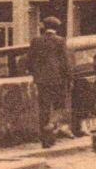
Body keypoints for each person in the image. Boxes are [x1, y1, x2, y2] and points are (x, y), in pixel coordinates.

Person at [27, 18, 73, 148]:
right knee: (59, 107)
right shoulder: (60, 41)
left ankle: (45, 141)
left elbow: (29, 60)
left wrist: (35, 73)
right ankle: (51, 127)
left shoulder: (36, 41)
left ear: (44, 27)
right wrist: (69, 78)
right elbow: (65, 62)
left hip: (41, 80)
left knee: (44, 108)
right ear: (56, 28)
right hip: (58, 80)